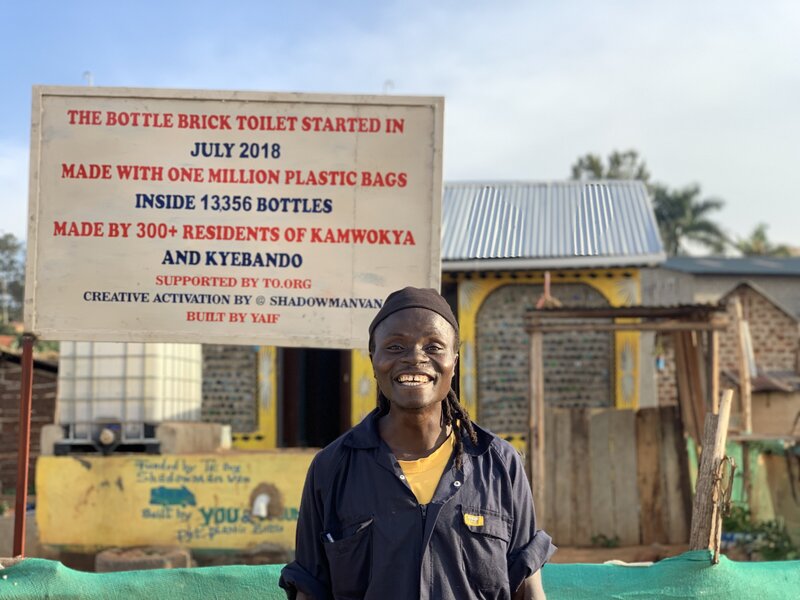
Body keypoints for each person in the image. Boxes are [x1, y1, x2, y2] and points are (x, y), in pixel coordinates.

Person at [280, 287, 555, 599]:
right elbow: (309, 591)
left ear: (454, 360)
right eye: (395, 347)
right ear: (374, 359)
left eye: (434, 347)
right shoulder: (332, 468)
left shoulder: (500, 464)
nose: (414, 359)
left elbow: (528, 589)